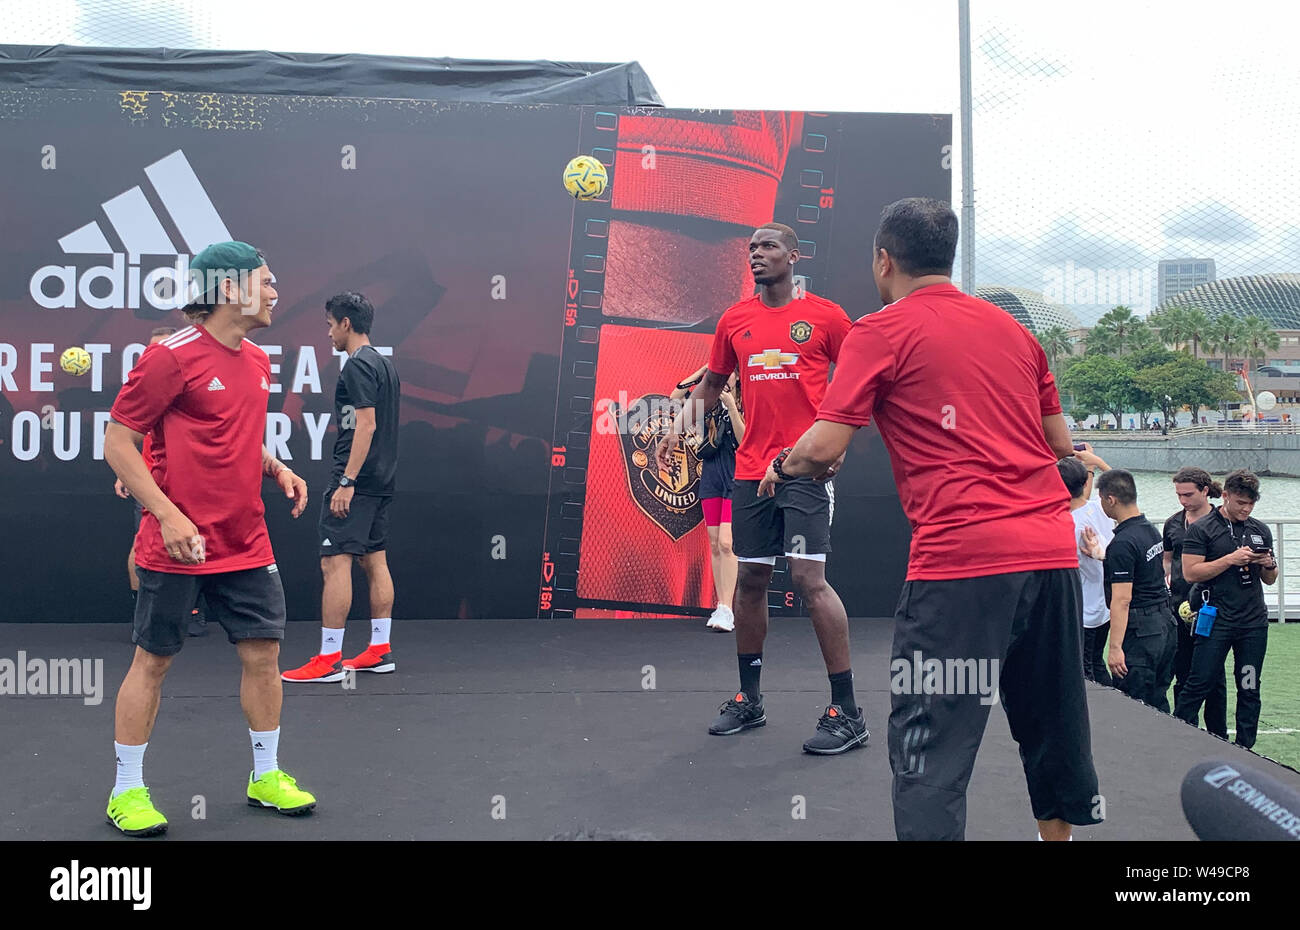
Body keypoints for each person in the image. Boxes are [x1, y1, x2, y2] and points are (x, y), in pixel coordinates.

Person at [765, 198, 1100, 841]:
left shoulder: (880, 330)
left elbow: (825, 447)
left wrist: (783, 466)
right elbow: (1061, 445)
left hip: (960, 566)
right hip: (1049, 555)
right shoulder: (1015, 332)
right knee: (1052, 722)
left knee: (928, 741)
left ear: (883, 260)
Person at [103, 241, 314, 836]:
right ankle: (127, 790)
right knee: (154, 661)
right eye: (267, 282)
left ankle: (266, 776)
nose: (276, 293)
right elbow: (119, 442)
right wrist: (169, 516)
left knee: (264, 654)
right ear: (229, 289)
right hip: (177, 545)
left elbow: (236, 432)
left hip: (246, 540)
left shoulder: (256, 359)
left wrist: (275, 467)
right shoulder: (169, 358)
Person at [658, 221, 863, 755]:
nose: (757, 255)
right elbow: (711, 383)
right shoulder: (736, 319)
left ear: (794, 256)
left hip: (803, 469)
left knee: (808, 580)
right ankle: (749, 700)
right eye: (751, 248)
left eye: (768, 246)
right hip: (751, 471)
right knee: (749, 579)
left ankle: (848, 711)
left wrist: (836, 444)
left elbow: (862, 374)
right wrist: (675, 432)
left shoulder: (825, 316)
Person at [284, 292, 402, 682]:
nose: (329, 333)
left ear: (346, 324)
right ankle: (380, 649)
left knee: (335, 563)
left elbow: (366, 426)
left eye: (330, 325)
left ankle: (329, 660)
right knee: (375, 560)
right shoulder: (385, 365)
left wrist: (347, 481)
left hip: (358, 481)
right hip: (382, 480)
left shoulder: (357, 366)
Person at [1176, 469, 1276, 748]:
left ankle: (1246, 748)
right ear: (1227, 496)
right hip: (1216, 620)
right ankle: (1176, 738)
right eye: (1240, 502)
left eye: (1250, 504)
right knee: (1199, 683)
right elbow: (1192, 573)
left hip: (1253, 624)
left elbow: (1270, 579)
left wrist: (1268, 566)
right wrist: (1230, 559)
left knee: (1249, 686)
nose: (1246, 509)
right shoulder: (1202, 529)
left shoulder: (1259, 530)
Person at [1082, 470, 1175, 711]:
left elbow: (1121, 600)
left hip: (1141, 631)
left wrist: (1114, 648)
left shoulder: (1123, 542)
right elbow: (1143, 572)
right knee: (1158, 699)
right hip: (1164, 624)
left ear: (1110, 499)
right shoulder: (1150, 530)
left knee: (1133, 704)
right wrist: (1103, 556)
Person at [670, 366, 745, 632]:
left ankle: (727, 607)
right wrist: (705, 370)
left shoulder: (745, 402)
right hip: (712, 473)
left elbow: (744, 439)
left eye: (730, 374)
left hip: (737, 474)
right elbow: (675, 397)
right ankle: (722, 606)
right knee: (714, 543)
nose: (725, 380)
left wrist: (731, 407)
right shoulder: (707, 402)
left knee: (727, 542)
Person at [1163, 467, 1227, 738]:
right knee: (1182, 671)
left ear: (1205, 490)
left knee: (1214, 677)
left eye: (1188, 494)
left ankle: (1218, 734)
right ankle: (1185, 730)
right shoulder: (1173, 523)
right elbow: (1167, 557)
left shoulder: (1222, 524)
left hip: (1212, 609)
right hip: (1178, 607)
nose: (1183, 501)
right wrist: (1167, 576)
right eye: (1178, 495)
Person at [1057, 448, 1113, 685]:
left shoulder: (1069, 523)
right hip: (1106, 602)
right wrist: (1096, 463)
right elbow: (1120, 485)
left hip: (1086, 609)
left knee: (1086, 668)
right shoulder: (1101, 507)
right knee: (1096, 661)